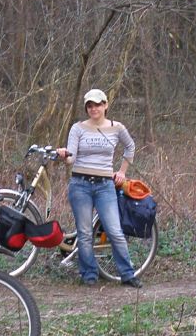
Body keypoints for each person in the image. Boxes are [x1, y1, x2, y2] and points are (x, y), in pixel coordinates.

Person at [56, 88, 143, 288]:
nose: (94, 108)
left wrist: (121, 171)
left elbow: (130, 147)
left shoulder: (117, 127)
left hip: (105, 186)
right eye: (90, 105)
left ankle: (128, 274)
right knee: (85, 233)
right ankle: (89, 275)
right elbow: (72, 158)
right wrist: (64, 155)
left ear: (105, 105)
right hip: (80, 185)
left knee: (114, 230)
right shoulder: (77, 128)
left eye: (97, 104)